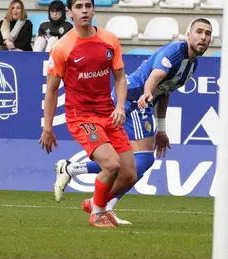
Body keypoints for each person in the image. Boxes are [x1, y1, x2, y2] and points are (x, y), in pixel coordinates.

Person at [52, 18, 213, 225]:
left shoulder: (192, 65)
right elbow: (154, 78)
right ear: (188, 35)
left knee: (128, 163)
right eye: (199, 31)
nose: (203, 37)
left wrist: (161, 129)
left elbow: (164, 92)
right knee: (143, 159)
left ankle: (77, 175)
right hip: (132, 99)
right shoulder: (175, 51)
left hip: (140, 101)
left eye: (207, 34)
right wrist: (146, 95)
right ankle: (98, 203)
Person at [39, 0, 137, 228]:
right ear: (70, 12)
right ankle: (98, 213)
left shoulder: (109, 40)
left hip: (108, 114)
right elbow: (52, 90)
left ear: (93, 9)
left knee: (129, 175)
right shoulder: (62, 48)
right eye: (79, 6)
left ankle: (95, 202)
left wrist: (120, 106)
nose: (84, 10)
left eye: (88, 5)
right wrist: (47, 128)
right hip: (81, 117)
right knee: (112, 165)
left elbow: (121, 77)